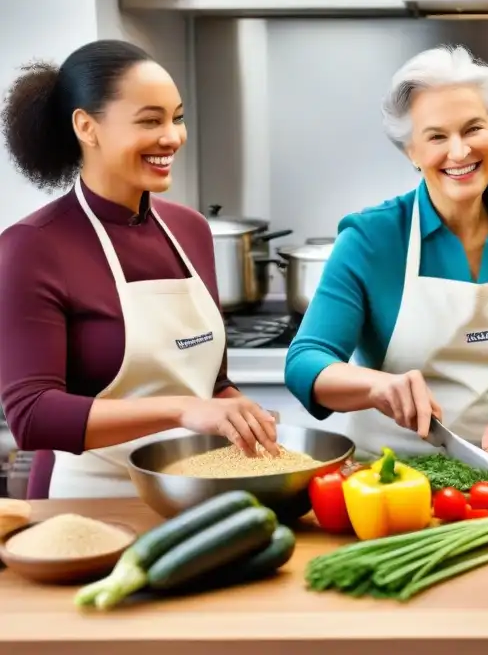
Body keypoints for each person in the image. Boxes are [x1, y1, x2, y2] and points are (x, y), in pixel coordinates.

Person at [0, 40, 279, 499]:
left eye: (177, 117)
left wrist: (240, 412)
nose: (172, 137)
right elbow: (31, 415)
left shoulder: (189, 230)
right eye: (150, 121)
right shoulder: (34, 246)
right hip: (88, 503)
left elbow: (212, 384)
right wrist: (182, 411)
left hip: (195, 497)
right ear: (86, 127)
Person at [284, 45, 488, 469]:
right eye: (437, 136)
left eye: (473, 129)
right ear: (411, 151)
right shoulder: (372, 237)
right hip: (390, 481)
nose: (459, 152)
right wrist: (377, 387)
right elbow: (306, 362)